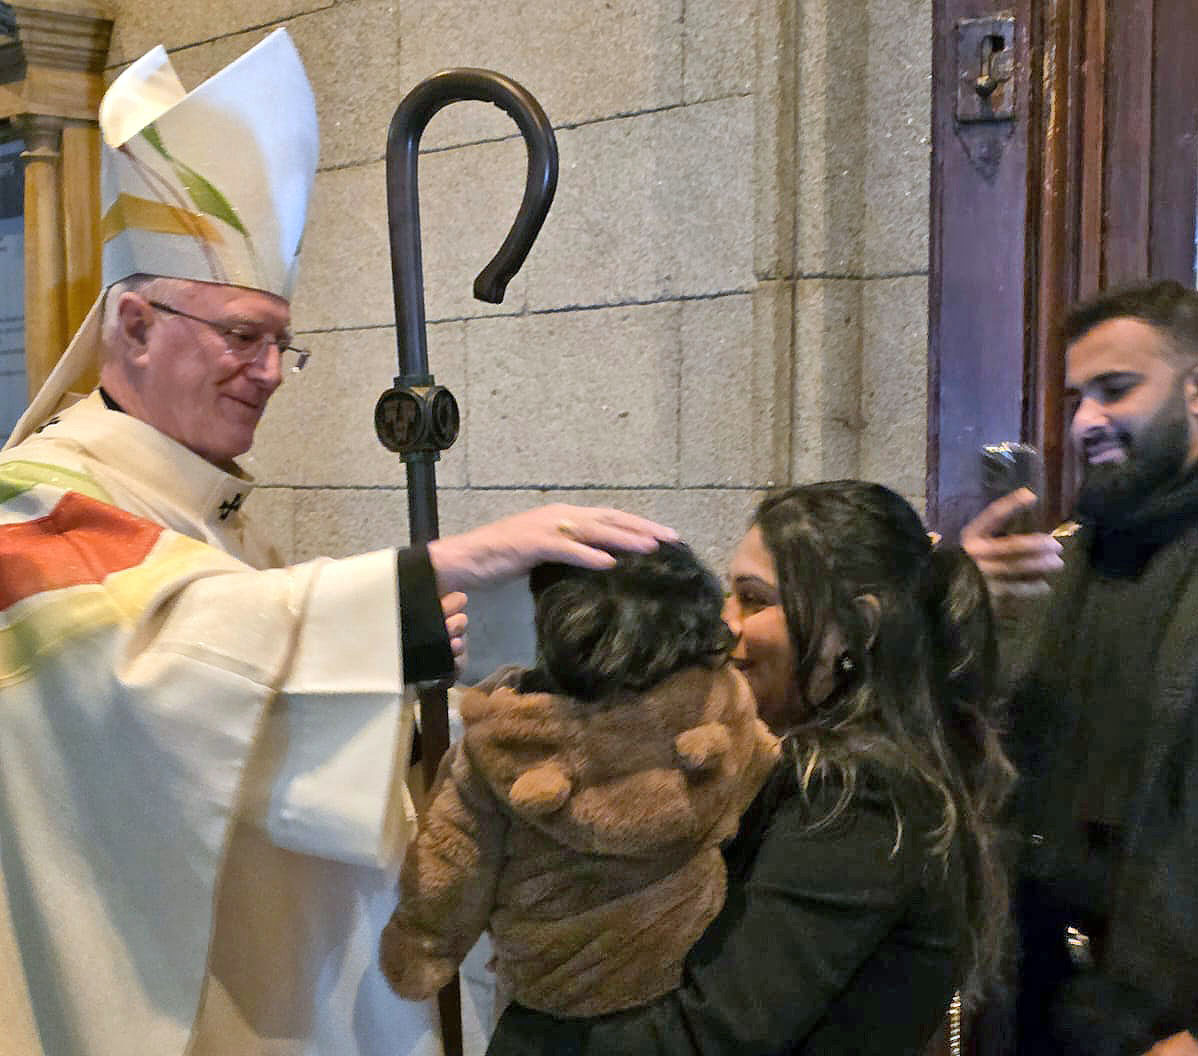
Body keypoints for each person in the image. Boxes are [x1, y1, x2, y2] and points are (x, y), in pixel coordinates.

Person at [0, 31, 672, 1056]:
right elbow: (158, 659)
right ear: (133, 324)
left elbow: (258, 683)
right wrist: (424, 585)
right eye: (240, 336)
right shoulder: (35, 507)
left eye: (281, 341)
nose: (268, 371)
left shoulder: (199, 513)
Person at [486, 481, 1015, 1055]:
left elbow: (714, 1033)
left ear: (856, 629)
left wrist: (529, 1035)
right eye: (729, 595)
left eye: (755, 600)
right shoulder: (833, 769)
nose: (724, 626)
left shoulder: (857, 798)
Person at [379, 542, 779, 1017]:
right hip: (685, 978)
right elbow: (762, 775)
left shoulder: (506, 746)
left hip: (549, 1002)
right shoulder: (718, 703)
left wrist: (421, 948)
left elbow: (453, 863)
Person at [962, 279, 1198, 1056]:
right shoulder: (1057, 561)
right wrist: (950, 609)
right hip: (1034, 1002)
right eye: (1077, 397)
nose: (1087, 420)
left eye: (1117, 390)